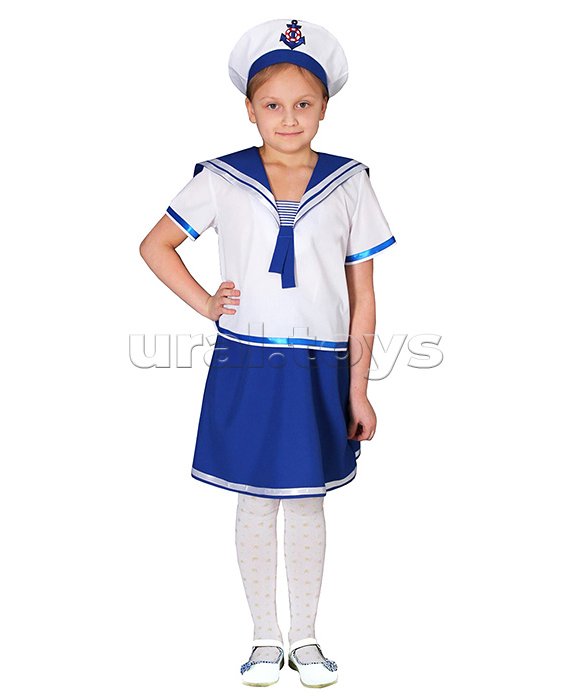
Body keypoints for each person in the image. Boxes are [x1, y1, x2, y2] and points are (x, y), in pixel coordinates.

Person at [139, 18, 397, 688]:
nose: (289, 118)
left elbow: (363, 295)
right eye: (273, 104)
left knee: (307, 500)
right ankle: (262, 637)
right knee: (256, 498)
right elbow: (155, 245)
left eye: (303, 103)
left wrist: (359, 388)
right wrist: (206, 303)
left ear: (325, 108)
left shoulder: (349, 182)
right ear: (249, 109)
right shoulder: (223, 178)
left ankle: (305, 638)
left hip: (320, 368)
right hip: (248, 360)